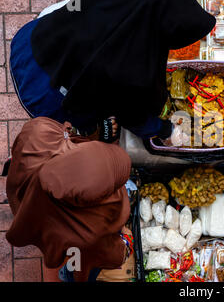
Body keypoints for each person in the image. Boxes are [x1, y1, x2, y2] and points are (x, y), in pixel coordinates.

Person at [9, 0, 215, 143]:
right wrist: (165, 131)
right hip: (40, 87)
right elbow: (133, 115)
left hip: (30, 41)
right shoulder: (136, 68)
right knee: (81, 120)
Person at [5, 117, 133, 282]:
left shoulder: (40, 133)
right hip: (71, 244)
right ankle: (68, 275)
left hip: (25, 200)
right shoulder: (86, 231)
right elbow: (111, 253)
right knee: (77, 261)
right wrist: (125, 245)